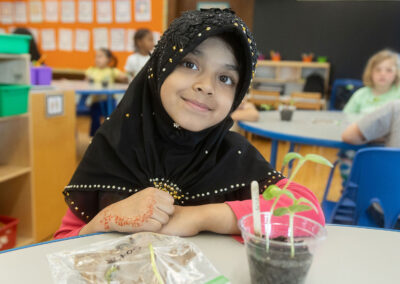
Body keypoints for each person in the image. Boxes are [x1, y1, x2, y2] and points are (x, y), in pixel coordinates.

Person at [54, 9, 324, 239]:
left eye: (226, 78)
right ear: (160, 67)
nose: (206, 86)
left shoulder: (233, 154)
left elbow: (308, 211)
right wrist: (108, 219)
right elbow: (63, 242)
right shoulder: (114, 144)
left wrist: (200, 217)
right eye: (190, 64)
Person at [85, 48, 128, 136]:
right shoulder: (91, 70)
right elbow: (84, 84)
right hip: (95, 101)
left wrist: (126, 78)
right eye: (96, 57)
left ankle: (111, 135)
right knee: (95, 119)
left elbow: (124, 78)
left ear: (108, 59)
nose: (97, 59)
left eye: (100, 56)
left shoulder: (112, 71)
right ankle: (94, 137)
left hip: (109, 100)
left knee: (111, 119)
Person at [343, 49, 400, 114]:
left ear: (397, 73)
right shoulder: (360, 95)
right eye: (378, 70)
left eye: (389, 70)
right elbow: (345, 117)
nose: (382, 74)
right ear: (370, 72)